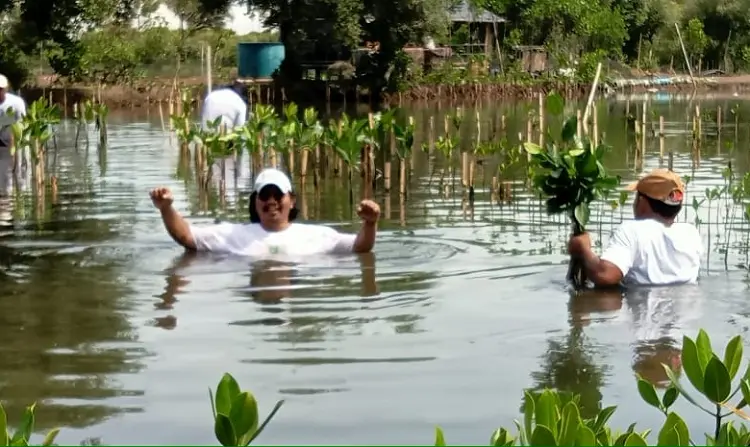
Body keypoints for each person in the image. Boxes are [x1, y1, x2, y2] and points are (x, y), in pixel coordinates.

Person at [150, 167, 380, 256]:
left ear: (291, 200)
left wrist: (370, 224)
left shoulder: (318, 236)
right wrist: (166, 208)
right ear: (255, 201)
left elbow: (361, 246)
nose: (271, 201)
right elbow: (186, 237)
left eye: (278, 194)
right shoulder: (234, 234)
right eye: (264, 195)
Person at [567, 168, 702, 287]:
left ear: (642, 202)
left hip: (642, 310)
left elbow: (606, 275)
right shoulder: (691, 233)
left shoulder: (632, 230)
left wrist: (584, 249)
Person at [0, 74, 26, 196]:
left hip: (13, 139)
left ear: (6, 89)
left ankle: (17, 191)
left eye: (0, 89)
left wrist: (14, 143)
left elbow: (22, 124)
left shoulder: (16, 102)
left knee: (16, 170)